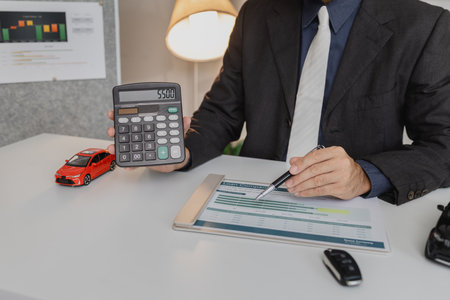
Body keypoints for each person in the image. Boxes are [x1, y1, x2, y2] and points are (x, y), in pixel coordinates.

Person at [107, 0, 450, 205]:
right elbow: (220, 112)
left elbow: (443, 147)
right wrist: (182, 152)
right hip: (254, 199)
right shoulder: (256, 13)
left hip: (354, 209)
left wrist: (364, 176)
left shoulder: (425, 26)